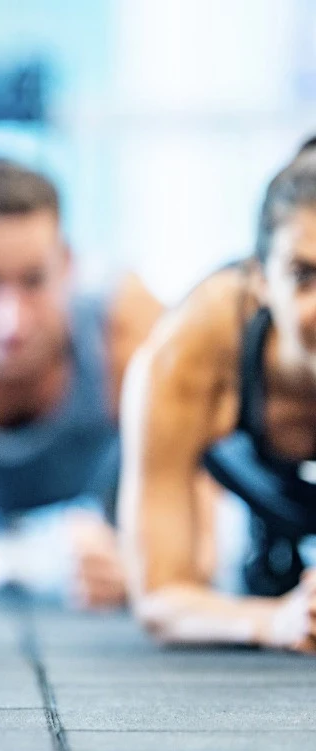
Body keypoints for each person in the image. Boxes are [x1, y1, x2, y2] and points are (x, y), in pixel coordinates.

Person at [0, 159, 164, 609]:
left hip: (105, 497)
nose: (10, 321)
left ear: (67, 266)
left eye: (34, 280)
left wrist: (147, 569)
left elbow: (193, 553)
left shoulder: (126, 333)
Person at [122, 149, 316, 652]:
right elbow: (161, 595)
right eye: (304, 275)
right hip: (247, 462)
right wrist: (275, 621)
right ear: (260, 281)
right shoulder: (188, 355)